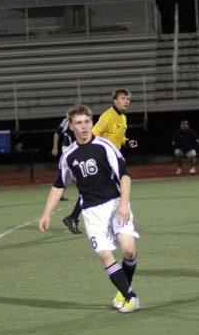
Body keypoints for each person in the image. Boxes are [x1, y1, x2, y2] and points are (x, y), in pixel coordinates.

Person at [39, 103, 140, 313]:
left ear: (91, 123)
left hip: (115, 203)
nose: (84, 126)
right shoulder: (68, 155)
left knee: (129, 250)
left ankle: (123, 290)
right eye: (78, 123)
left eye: (87, 121)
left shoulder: (105, 146)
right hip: (92, 212)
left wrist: (123, 203)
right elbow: (59, 185)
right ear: (71, 127)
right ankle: (131, 297)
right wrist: (46, 213)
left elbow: (124, 175)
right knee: (105, 255)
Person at [63, 88, 138, 234]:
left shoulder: (123, 117)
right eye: (123, 98)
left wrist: (127, 142)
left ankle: (74, 217)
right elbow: (94, 133)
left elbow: (119, 136)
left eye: (128, 99)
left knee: (106, 190)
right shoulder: (108, 116)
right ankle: (110, 221)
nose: (126, 101)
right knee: (109, 189)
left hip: (113, 160)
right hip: (102, 160)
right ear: (115, 101)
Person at [51, 116, 76, 204]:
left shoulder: (81, 121)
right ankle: (56, 193)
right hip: (67, 150)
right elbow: (57, 133)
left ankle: (58, 193)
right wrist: (55, 148)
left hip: (77, 149)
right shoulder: (66, 121)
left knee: (70, 173)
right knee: (67, 172)